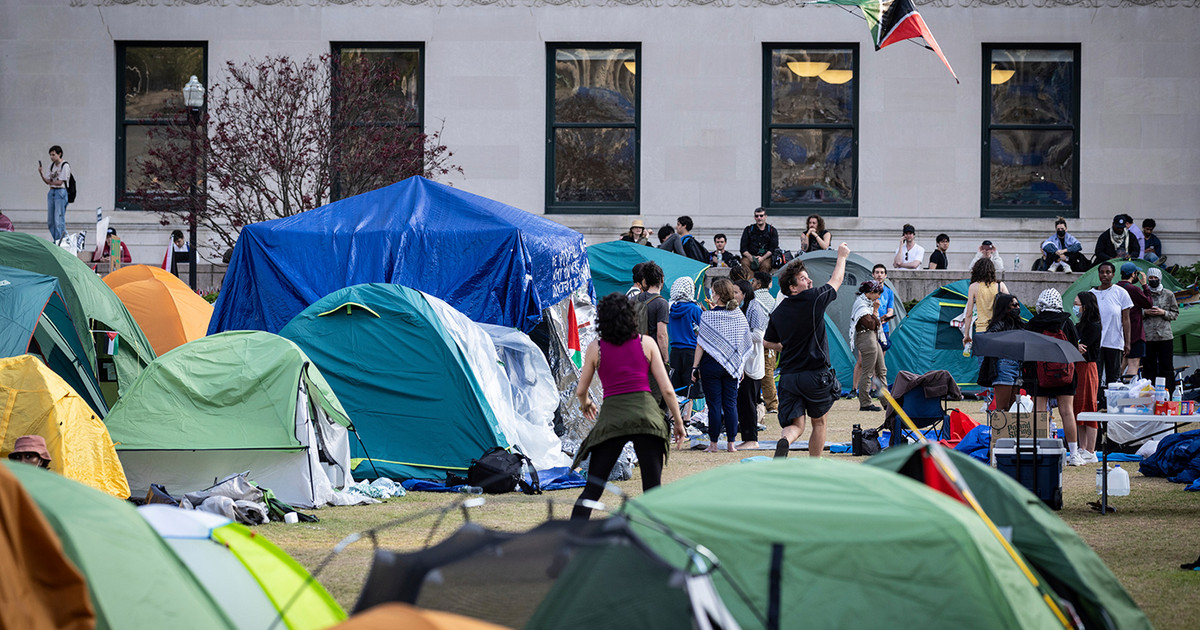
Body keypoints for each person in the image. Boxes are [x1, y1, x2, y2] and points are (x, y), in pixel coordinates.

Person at [571, 294, 685, 520]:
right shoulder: (647, 343)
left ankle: (573, 540)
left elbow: (580, 391)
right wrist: (679, 423)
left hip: (613, 418)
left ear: (601, 320)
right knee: (653, 490)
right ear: (632, 317)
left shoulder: (597, 347)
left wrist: (587, 404)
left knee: (593, 488)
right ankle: (655, 541)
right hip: (647, 417)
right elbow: (668, 390)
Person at [765, 242, 851, 459]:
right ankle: (814, 465)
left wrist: (784, 346)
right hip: (815, 375)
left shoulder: (778, 312)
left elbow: (768, 342)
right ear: (792, 288)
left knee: (797, 425)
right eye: (803, 278)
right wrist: (841, 256)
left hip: (789, 377)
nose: (810, 280)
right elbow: (837, 280)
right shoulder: (812, 300)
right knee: (819, 422)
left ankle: (785, 440)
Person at [691, 278, 752, 453]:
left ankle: (714, 444)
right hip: (732, 366)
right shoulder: (739, 315)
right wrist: (740, 366)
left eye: (713, 292)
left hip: (710, 366)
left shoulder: (708, 316)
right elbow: (745, 342)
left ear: (717, 295)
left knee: (714, 405)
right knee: (731, 404)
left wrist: (695, 367)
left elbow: (701, 344)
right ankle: (732, 444)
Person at [1025, 289, 1083, 466]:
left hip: (1039, 374)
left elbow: (1027, 350)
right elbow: (1074, 348)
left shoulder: (1034, 323)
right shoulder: (1067, 322)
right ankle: (1073, 454)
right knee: (1067, 412)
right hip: (1064, 373)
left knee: (1040, 412)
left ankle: (1040, 449)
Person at [1089, 261, 1134, 404]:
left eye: (1108, 272)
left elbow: (1126, 320)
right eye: (1102, 272)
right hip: (1096, 344)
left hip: (1114, 342)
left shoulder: (1121, 293)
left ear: (1113, 274)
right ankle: (1095, 405)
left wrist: (1127, 342)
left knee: (1113, 378)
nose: (1104, 275)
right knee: (1095, 377)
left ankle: (1113, 407)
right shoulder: (1091, 294)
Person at [734, 279, 769, 449]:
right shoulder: (743, 308)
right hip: (744, 363)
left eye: (736, 293)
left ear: (745, 293)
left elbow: (759, 337)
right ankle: (747, 438)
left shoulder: (754, 309)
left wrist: (741, 330)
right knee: (743, 401)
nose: (733, 296)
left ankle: (751, 440)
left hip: (752, 363)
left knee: (748, 402)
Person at [1072, 291, 1102, 462]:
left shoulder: (1094, 325)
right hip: (1079, 367)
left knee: (1089, 407)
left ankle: (1091, 450)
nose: (1075, 307)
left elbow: (1083, 348)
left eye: (1077, 304)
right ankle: (1082, 447)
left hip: (1088, 368)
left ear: (1085, 306)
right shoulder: (1079, 325)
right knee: (1079, 409)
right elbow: (1077, 346)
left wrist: (1076, 346)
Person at [849, 281, 887, 412]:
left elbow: (873, 323)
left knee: (881, 370)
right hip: (866, 338)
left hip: (873, 337)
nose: (878, 297)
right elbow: (870, 324)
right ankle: (865, 402)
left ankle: (886, 402)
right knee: (868, 371)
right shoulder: (861, 304)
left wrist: (877, 317)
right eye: (877, 294)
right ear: (871, 293)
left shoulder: (868, 303)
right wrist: (876, 311)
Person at [984, 293, 1025, 412]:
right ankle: (1000, 430)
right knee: (1003, 408)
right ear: (1005, 307)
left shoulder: (1019, 324)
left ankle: (1011, 431)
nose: (1017, 308)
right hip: (1005, 365)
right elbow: (989, 338)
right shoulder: (999, 324)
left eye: (1018, 305)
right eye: (1014, 305)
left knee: (1014, 408)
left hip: (1019, 366)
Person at [1142, 267, 1179, 392]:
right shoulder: (1143, 294)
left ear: (1160, 278)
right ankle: (1148, 394)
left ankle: (1169, 394)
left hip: (1165, 336)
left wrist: (1163, 312)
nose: (1153, 280)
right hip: (1148, 336)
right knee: (1148, 367)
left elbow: (1175, 313)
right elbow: (1135, 313)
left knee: (1167, 367)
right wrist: (1145, 312)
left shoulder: (1169, 294)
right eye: (1151, 278)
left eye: (1155, 278)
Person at [667, 276, 703, 401]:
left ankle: (674, 415)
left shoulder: (670, 309)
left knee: (675, 385)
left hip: (675, 350)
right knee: (690, 387)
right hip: (692, 351)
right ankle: (687, 418)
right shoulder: (695, 309)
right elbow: (703, 331)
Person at [961, 258, 1009, 351]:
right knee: (998, 362)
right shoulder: (1000, 285)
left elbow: (968, 313)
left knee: (983, 363)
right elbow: (1012, 305)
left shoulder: (973, 287)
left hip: (981, 330)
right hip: (999, 330)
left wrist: (966, 335)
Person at [1116, 262, 1152, 379]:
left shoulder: (1114, 288)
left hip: (1118, 331)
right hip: (1135, 331)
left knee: (1122, 363)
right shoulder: (1133, 289)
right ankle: (1129, 390)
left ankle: (1113, 385)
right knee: (1133, 363)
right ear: (1133, 274)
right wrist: (1145, 285)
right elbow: (1148, 303)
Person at [753, 271, 779, 413]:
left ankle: (767, 403)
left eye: (753, 282)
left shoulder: (753, 299)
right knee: (768, 371)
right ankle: (772, 404)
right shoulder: (771, 300)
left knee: (760, 372)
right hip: (770, 341)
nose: (752, 284)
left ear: (758, 284)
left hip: (756, 340)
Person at [38, 145, 71, 242]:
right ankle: (57, 239)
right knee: (51, 221)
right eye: (50, 155)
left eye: (53, 155)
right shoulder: (51, 166)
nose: (51, 157)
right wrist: (41, 173)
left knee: (58, 219)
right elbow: (47, 180)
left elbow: (60, 182)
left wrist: (50, 182)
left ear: (59, 154)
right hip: (52, 191)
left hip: (60, 192)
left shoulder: (65, 165)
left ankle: (61, 240)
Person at [739, 207, 779, 273]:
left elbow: (773, 248)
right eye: (757, 216)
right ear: (754, 217)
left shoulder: (772, 230)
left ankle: (761, 282)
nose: (759, 218)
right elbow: (743, 248)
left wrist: (762, 258)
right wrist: (751, 257)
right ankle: (751, 282)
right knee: (744, 263)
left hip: (766, 257)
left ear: (766, 216)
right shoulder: (748, 229)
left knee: (765, 266)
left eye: (761, 216)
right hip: (750, 256)